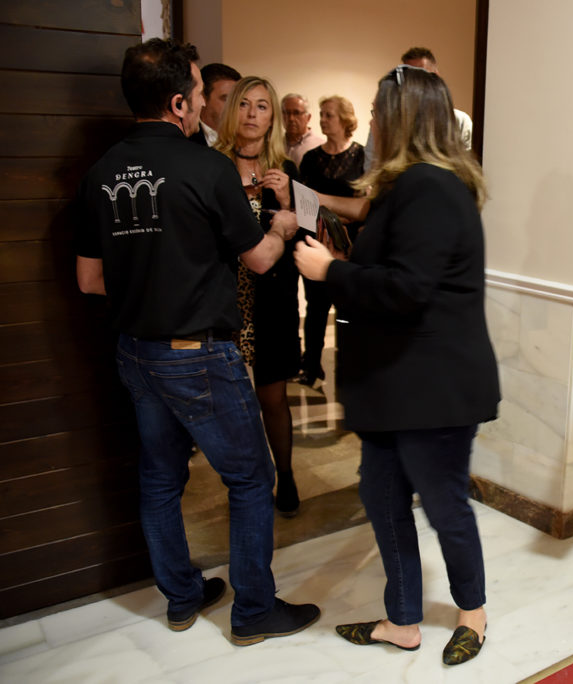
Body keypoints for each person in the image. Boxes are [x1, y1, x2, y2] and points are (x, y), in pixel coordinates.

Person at [73, 38, 319, 645]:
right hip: (198, 354)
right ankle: (254, 610)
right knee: (251, 479)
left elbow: (90, 280)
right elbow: (259, 259)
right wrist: (284, 226)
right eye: (202, 92)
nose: (210, 103)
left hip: (135, 352)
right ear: (180, 104)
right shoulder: (205, 167)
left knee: (160, 480)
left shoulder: (101, 173)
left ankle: (182, 598)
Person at [294, 64, 499, 665]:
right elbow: (396, 269)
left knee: (444, 505)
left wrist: (331, 271)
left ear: (402, 118)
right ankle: (403, 619)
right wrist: (341, 258)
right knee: (382, 498)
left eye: (378, 113)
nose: (373, 124)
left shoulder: (431, 188)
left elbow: (408, 289)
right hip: (395, 384)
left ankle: (473, 612)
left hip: (433, 388)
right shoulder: (407, 187)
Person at [214, 77, 304, 516]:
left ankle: (285, 474)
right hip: (224, 300)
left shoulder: (286, 169)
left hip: (272, 301)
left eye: (263, 106)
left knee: (272, 397)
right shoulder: (212, 166)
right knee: (230, 403)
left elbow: (308, 234)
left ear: (273, 119)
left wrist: (288, 199)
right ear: (233, 111)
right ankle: (248, 485)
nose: (252, 114)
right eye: (245, 104)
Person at [296, 95, 365, 387]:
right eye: (321, 114)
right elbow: (302, 204)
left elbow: (366, 206)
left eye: (329, 115)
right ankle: (312, 366)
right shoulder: (311, 159)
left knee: (347, 310)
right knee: (315, 307)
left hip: (349, 247)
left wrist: (342, 217)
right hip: (317, 241)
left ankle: (347, 369)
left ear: (345, 120)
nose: (322, 120)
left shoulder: (362, 157)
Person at [363, 47, 472, 173]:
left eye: (420, 75)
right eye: (407, 77)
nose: (412, 84)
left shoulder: (459, 121)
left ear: (436, 78)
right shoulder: (385, 122)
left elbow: (463, 169)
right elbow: (371, 166)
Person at [189, 62, 241, 146]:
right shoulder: (187, 137)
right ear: (203, 98)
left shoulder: (245, 139)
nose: (234, 106)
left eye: (238, 101)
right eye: (226, 99)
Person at [282, 93, 326, 166]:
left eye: (296, 113)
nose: (291, 118)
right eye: (287, 113)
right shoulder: (274, 145)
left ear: (308, 117)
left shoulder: (320, 147)